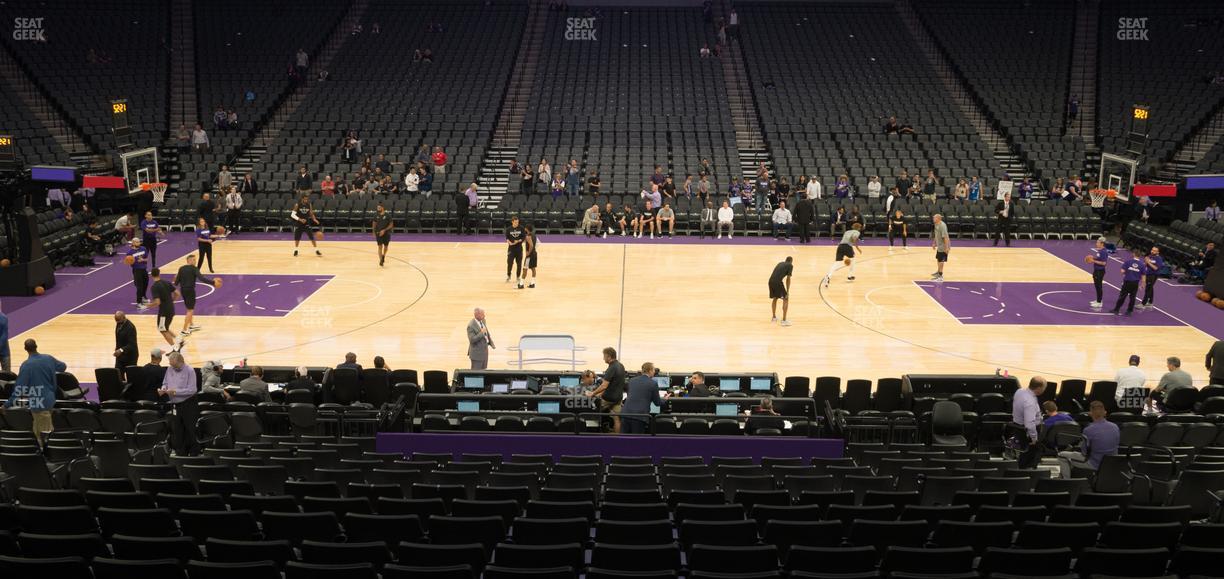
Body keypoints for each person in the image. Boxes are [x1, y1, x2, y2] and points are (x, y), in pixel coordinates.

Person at [4, 339, 65, 442]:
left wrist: (7, 405)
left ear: (25, 349)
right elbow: (63, 367)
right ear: (36, 346)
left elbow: (19, 389)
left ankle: (45, 451)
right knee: (38, 430)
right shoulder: (48, 358)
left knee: (44, 435)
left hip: (38, 402)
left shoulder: (26, 365)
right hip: (50, 398)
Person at [1057, 401, 1119, 478]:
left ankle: (1067, 481)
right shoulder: (1115, 427)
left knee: (1062, 455)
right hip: (1111, 463)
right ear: (1105, 412)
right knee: (1073, 456)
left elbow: (1084, 453)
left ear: (1091, 413)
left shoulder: (1088, 430)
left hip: (1094, 463)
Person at [160, 352, 200, 455]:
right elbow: (165, 382)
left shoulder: (190, 370)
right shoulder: (169, 369)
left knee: (190, 430)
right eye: (171, 365)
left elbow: (192, 390)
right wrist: (163, 389)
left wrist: (175, 392)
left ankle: (194, 454)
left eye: (174, 365)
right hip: (175, 405)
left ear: (181, 362)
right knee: (177, 430)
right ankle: (180, 453)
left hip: (188, 404)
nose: (172, 367)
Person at [176, 254, 218, 338]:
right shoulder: (194, 269)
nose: (195, 261)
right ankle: (184, 330)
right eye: (194, 260)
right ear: (189, 260)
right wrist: (213, 282)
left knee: (189, 309)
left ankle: (191, 325)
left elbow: (176, 282)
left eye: (195, 260)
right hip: (190, 291)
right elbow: (202, 279)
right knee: (190, 310)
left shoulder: (181, 268)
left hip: (183, 290)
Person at [586, 347, 627, 434]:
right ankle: (617, 438)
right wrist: (599, 393)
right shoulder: (621, 366)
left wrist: (593, 393)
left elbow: (604, 385)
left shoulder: (611, 368)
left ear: (609, 356)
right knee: (617, 419)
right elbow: (614, 384)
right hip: (618, 398)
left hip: (608, 399)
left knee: (592, 412)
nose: (603, 358)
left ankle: (593, 435)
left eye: (604, 356)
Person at [621, 362, 666, 434]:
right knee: (637, 439)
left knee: (624, 438)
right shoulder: (653, 383)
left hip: (625, 414)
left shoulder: (632, 380)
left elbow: (630, 394)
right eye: (654, 370)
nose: (654, 372)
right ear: (650, 371)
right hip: (640, 416)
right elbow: (657, 403)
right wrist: (665, 399)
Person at [1013, 376, 1047, 469]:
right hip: (1027, 431)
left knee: (1025, 452)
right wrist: (1034, 438)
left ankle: (1023, 469)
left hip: (1018, 426)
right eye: (1044, 387)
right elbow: (1029, 423)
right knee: (1031, 453)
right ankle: (1028, 472)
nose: (1044, 389)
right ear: (1039, 388)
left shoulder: (1020, 391)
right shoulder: (1030, 402)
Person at [148, 268, 181, 350]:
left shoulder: (154, 287)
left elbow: (157, 302)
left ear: (151, 275)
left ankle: (175, 348)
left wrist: (149, 305)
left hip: (164, 312)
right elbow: (177, 293)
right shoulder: (167, 282)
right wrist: (172, 300)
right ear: (159, 274)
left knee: (162, 329)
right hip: (171, 308)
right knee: (165, 328)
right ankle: (180, 340)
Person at [1111, 249, 1144, 315]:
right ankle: (1129, 311)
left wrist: (1127, 273)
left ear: (1134, 254)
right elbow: (1143, 275)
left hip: (1127, 282)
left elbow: (1122, 271)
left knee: (1122, 296)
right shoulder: (1142, 264)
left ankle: (1116, 309)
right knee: (1132, 297)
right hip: (1135, 283)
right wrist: (1143, 284)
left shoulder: (1128, 262)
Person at [113, 311, 138, 380]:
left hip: (130, 357)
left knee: (131, 377)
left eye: (118, 320)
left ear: (124, 317)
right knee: (118, 376)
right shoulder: (119, 323)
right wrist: (117, 347)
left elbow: (132, 344)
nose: (117, 322)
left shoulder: (130, 327)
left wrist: (121, 350)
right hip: (120, 356)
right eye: (116, 320)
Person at [128, 237, 151, 310]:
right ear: (133, 243)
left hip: (144, 269)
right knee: (139, 287)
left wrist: (142, 260)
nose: (139, 243)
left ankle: (143, 297)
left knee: (146, 284)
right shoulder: (130, 252)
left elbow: (147, 259)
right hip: (136, 270)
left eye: (139, 242)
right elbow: (129, 263)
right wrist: (133, 261)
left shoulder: (143, 249)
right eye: (137, 242)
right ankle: (139, 303)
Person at [769, 256, 794, 326]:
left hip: (770, 281)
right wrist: (787, 291)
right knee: (786, 299)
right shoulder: (790, 265)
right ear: (791, 261)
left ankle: (774, 317)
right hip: (778, 282)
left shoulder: (780, 263)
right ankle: (784, 320)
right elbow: (788, 279)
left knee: (775, 298)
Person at [1139, 246, 1163, 310]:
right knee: (1150, 288)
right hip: (1148, 274)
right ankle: (1150, 302)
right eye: (1152, 250)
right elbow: (1145, 265)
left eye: (1154, 251)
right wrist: (1145, 262)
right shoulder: (1149, 256)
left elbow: (1155, 268)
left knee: (1148, 289)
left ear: (1158, 252)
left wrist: (1148, 262)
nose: (1152, 251)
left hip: (1153, 275)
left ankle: (1143, 304)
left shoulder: (1159, 259)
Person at [1088, 237, 1109, 308]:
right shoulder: (1100, 251)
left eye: (1098, 242)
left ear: (1102, 244)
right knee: (1097, 286)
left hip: (1099, 271)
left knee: (1099, 286)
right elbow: (1099, 259)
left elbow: (1104, 263)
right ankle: (1098, 300)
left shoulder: (1103, 252)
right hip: (1097, 270)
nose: (1096, 243)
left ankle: (1099, 302)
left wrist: (1093, 261)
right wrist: (1093, 258)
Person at [372, 202, 393, 267]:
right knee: (380, 246)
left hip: (386, 233)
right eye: (377, 208)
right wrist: (373, 232)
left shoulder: (388, 215)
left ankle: (383, 255)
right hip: (378, 233)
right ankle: (381, 260)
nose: (378, 209)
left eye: (379, 207)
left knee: (386, 246)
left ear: (382, 208)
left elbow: (391, 225)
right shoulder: (376, 215)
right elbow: (374, 224)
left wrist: (384, 230)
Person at [505, 216, 525, 282]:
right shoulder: (508, 229)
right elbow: (507, 238)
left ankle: (518, 277)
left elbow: (523, 237)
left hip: (519, 248)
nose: (517, 223)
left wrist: (519, 241)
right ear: (512, 222)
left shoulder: (521, 228)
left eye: (517, 222)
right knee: (509, 263)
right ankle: (508, 275)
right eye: (515, 222)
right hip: (511, 249)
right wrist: (509, 242)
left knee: (519, 264)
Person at [932, 214, 950, 282]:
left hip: (943, 246)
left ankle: (940, 276)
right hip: (939, 246)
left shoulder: (942, 225)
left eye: (934, 218)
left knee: (941, 261)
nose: (933, 219)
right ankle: (938, 272)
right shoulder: (936, 224)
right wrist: (934, 242)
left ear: (938, 218)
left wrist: (946, 247)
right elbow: (936, 234)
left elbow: (945, 237)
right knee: (938, 259)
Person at [519, 224, 538, 289]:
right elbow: (537, 244)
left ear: (526, 229)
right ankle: (532, 283)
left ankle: (521, 284)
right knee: (533, 268)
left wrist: (528, 253)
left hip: (529, 256)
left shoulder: (528, 236)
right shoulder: (534, 235)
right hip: (534, 254)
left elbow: (531, 245)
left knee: (525, 268)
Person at [0, 306, 8, 373]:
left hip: (4, 351)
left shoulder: (3, 318)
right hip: (4, 350)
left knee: (7, 374)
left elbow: (4, 335)